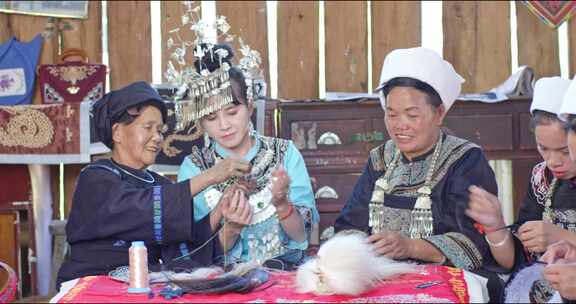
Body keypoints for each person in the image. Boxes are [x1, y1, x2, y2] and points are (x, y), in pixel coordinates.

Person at [334, 47, 506, 299]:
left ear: (439, 113)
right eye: (391, 114)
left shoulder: (465, 160)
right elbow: (349, 225)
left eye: (411, 114)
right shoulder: (380, 159)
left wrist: (410, 246)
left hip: (446, 280)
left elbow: (474, 245)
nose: (399, 125)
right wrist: (359, 248)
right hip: (382, 275)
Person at [57, 81, 235, 286]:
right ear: (117, 133)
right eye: (148, 127)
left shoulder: (158, 183)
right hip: (92, 284)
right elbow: (137, 209)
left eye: (160, 130)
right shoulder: (95, 178)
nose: (157, 137)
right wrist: (210, 176)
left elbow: (179, 251)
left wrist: (221, 210)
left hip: (142, 286)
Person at [177, 44, 318, 269]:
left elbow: (302, 237)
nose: (224, 125)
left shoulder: (285, 154)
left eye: (232, 112)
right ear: (200, 122)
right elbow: (193, 252)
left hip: (284, 276)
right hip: (222, 282)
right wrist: (231, 229)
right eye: (211, 118)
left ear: (250, 107)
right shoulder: (194, 169)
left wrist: (282, 205)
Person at [468, 77, 576, 302]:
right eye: (543, 148)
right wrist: (495, 227)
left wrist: (562, 236)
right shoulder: (542, 178)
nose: (553, 161)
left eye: (565, 151)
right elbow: (518, 259)